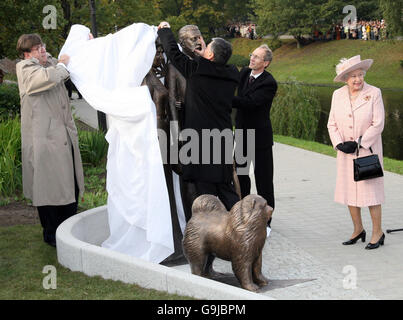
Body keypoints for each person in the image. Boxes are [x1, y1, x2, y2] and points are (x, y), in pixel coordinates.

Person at [158, 21, 240, 211]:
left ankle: (211, 231)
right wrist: (205, 55)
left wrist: (165, 30)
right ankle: (243, 225)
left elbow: (173, 53)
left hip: (201, 142)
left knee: (206, 192)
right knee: (225, 188)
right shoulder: (232, 74)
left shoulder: (197, 70)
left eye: (206, 45)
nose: (201, 44)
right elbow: (212, 65)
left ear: (209, 54)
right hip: (223, 137)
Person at [16, 34, 85, 247]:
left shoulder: (51, 65)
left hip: (62, 139)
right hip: (45, 144)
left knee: (68, 186)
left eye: (43, 46)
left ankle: (68, 233)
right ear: (27, 54)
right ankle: (52, 235)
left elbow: (70, 59)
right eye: (37, 49)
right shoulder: (26, 69)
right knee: (49, 190)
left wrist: (84, 40)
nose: (42, 51)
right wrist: (62, 64)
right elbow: (48, 77)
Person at [328, 55, 385, 250]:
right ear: (345, 79)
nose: (357, 80)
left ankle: (378, 232)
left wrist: (359, 143)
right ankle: (358, 229)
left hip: (367, 152)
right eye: (353, 76)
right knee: (349, 192)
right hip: (346, 153)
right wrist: (338, 144)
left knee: (371, 193)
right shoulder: (338, 95)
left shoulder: (374, 93)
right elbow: (331, 123)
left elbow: (378, 123)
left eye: (360, 75)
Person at [232, 45, 277, 227]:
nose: (252, 58)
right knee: (241, 175)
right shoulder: (244, 73)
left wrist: (224, 99)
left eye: (257, 57)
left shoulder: (269, 83)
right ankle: (244, 212)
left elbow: (250, 103)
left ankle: (266, 219)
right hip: (243, 135)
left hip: (260, 138)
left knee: (264, 179)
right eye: (252, 54)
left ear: (265, 63)